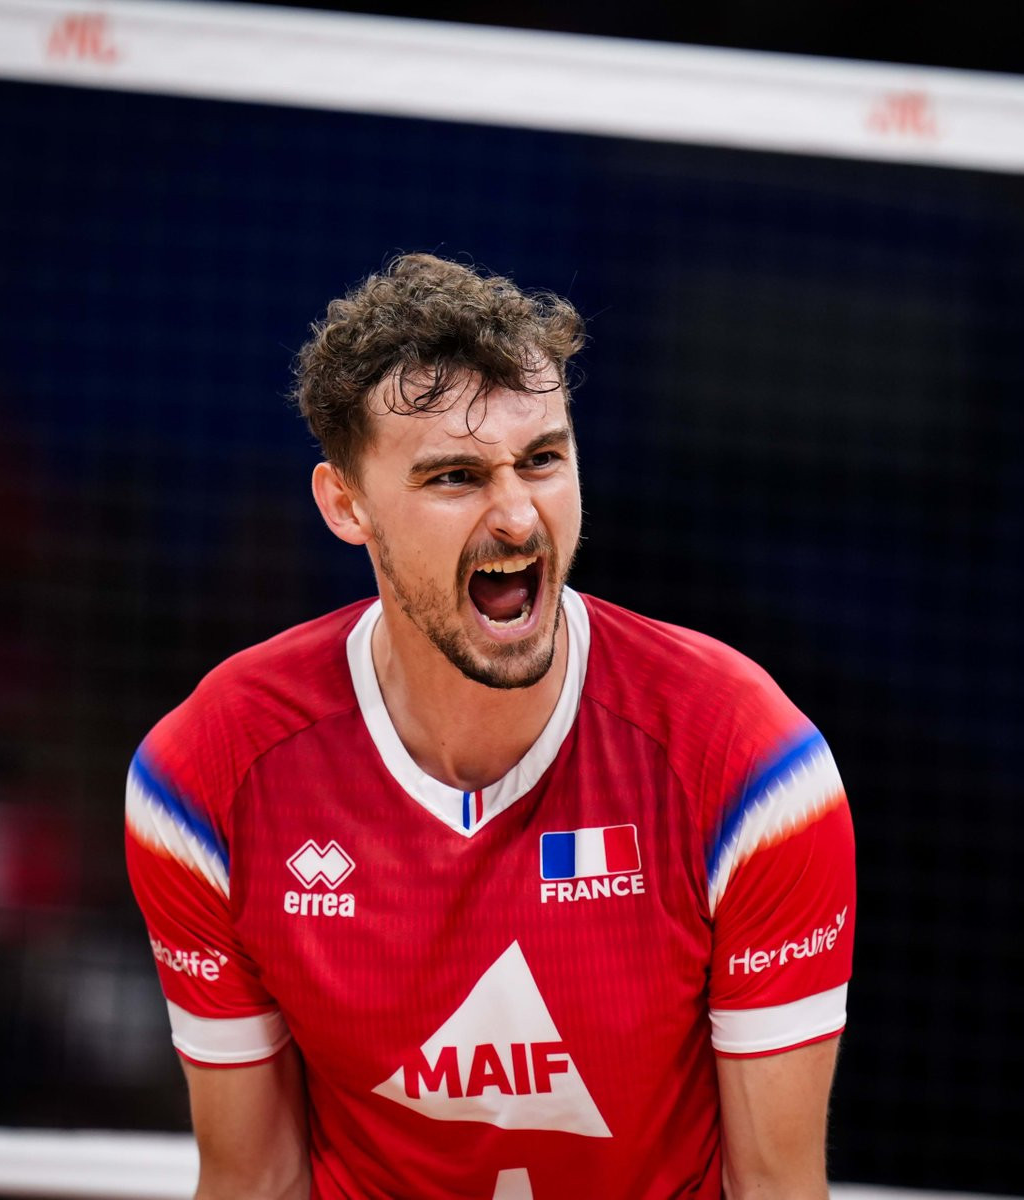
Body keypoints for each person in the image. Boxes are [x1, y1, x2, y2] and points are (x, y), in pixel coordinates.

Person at [125, 253, 856, 1200]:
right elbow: (254, 1180)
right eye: (456, 476)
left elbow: (776, 1185)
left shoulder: (748, 763)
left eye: (543, 459)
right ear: (347, 505)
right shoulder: (207, 777)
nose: (517, 516)